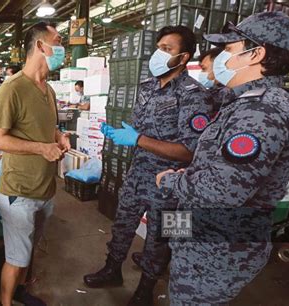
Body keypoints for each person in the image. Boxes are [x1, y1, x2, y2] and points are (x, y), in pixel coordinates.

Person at [156, 11, 289, 305]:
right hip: (202, 234)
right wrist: (190, 174)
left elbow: (225, 191)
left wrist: (172, 181)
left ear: (256, 54)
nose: (221, 57)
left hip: (216, 251)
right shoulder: (243, 101)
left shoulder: (262, 111)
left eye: (229, 48)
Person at [83, 25, 213, 305]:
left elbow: (191, 151)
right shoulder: (147, 86)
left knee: (161, 238)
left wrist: (138, 138)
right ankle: (112, 269)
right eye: (158, 47)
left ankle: (146, 288)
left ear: (183, 56)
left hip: (172, 182)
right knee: (123, 224)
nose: (159, 53)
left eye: (167, 49)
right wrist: (123, 133)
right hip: (138, 173)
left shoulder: (194, 94)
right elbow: (141, 129)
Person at [0, 21, 70, 306]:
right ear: (40, 46)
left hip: (45, 189)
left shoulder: (48, 90)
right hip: (19, 192)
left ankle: (21, 291)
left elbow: (49, 128)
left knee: (29, 252)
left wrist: (60, 137)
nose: (62, 47)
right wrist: (41, 148)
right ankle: (6, 302)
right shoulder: (12, 88)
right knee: (16, 257)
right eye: (58, 40)